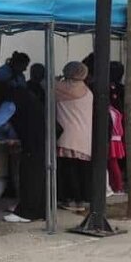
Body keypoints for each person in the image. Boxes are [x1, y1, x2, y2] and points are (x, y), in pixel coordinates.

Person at [0, 81, 47, 223]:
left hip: (32, 143)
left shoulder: (11, 104)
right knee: (39, 178)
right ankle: (39, 210)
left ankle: (27, 212)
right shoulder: (31, 100)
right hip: (41, 141)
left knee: (29, 177)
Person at [56, 62, 92, 207]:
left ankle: (71, 199)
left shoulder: (64, 87)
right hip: (84, 136)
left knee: (68, 169)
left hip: (68, 136)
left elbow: (44, 84)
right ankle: (83, 199)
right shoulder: (86, 89)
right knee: (81, 170)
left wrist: (56, 79)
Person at [107, 105, 125, 195]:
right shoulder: (116, 110)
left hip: (111, 139)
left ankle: (118, 187)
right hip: (117, 138)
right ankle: (116, 186)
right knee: (113, 164)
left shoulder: (109, 111)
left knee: (112, 164)